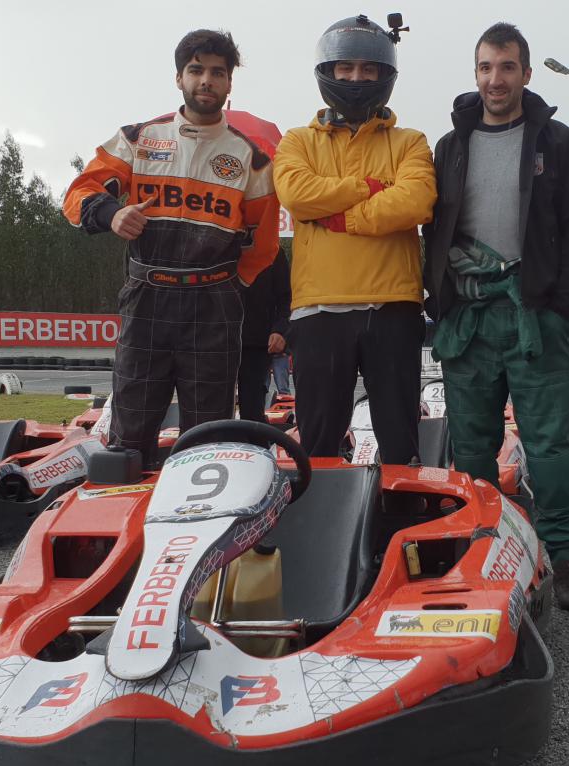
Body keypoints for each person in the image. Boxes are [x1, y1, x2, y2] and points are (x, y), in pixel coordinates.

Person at [424, 22, 569, 609]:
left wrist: (559, 305)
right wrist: (438, 299)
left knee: (548, 445)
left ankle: (565, 560)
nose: (494, 79)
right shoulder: (450, 146)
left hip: (534, 319)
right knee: (470, 449)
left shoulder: (557, 140)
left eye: (506, 67)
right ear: (475, 74)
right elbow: (433, 230)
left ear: (524, 73)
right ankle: (476, 548)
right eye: (484, 68)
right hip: (468, 321)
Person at [63, 30, 278, 465]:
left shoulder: (252, 159)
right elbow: (78, 193)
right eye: (196, 70)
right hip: (147, 300)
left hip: (214, 305)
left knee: (207, 437)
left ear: (230, 84)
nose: (206, 80)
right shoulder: (138, 138)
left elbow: (264, 243)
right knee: (130, 430)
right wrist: (112, 215)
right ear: (179, 78)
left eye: (217, 72)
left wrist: (231, 285)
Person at [274, 14, 436, 463]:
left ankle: (404, 523)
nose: (357, 78)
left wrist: (343, 218)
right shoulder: (297, 141)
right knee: (320, 441)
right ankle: (319, 526)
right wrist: (371, 187)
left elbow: (416, 202)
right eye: (346, 68)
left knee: (400, 442)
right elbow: (298, 195)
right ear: (328, 73)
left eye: (369, 69)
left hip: (394, 307)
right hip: (319, 308)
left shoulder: (410, 142)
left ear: (386, 76)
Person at [237, 254, 291, 423]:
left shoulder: (274, 252)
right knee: (211, 410)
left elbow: (286, 297)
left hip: (257, 344)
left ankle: (255, 443)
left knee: (252, 410)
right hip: (214, 341)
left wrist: (280, 330)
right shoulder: (219, 243)